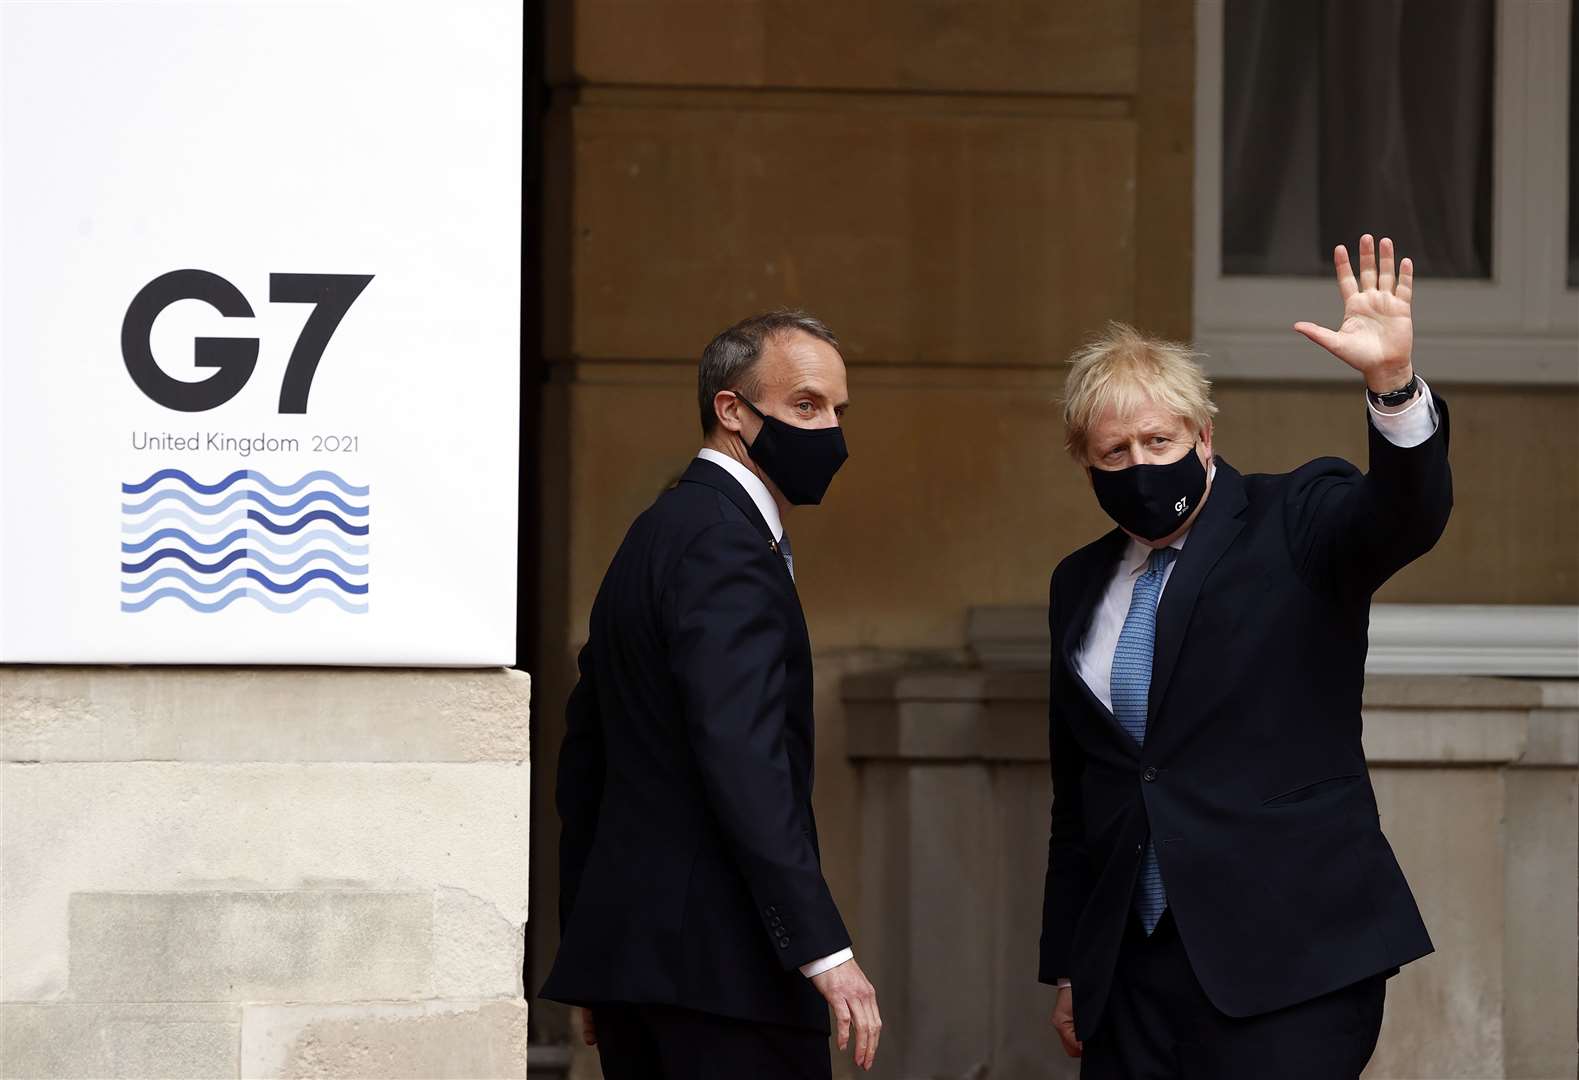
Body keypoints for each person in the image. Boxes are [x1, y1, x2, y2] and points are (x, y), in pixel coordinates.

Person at [1040, 235, 1451, 1078]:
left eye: (1158, 442)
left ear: (1202, 434)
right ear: (1084, 461)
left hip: (1288, 958)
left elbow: (1405, 516)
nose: (1139, 466)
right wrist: (1074, 960)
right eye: (1113, 454)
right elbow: (1080, 794)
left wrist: (1391, 388)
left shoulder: (1294, 518)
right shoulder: (1077, 583)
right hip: (1133, 970)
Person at [540, 310, 882, 1078]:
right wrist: (823, 950)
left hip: (640, 971)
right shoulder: (726, 545)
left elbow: (586, 759)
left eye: (835, 409)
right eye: (803, 406)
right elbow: (744, 757)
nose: (829, 430)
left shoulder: (657, 530)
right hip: (725, 978)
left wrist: (597, 949)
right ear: (732, 410)